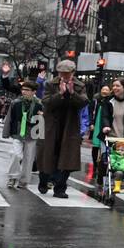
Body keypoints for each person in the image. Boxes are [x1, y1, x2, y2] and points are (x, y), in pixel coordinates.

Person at [38, 61, 89, 198]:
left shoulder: (80, 85)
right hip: (51, 124)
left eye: (67, 74)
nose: (64, 76)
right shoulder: (50, 84)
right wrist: (60, 94)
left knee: (67, 156)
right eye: (61, 73)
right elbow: (46, 103)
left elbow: (84, 103)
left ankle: (60, 188)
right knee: (48, 154)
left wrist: (72, 94)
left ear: (73, 73)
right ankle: (44, 180)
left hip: (70, 125)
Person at [2, 83, 43, 189]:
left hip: (32, 134)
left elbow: (42, 122)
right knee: (16, 155)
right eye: (23, 89)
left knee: (29, 158)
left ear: (34, 92)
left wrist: (41, 136)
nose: (23, 91)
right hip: (18, 133)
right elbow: (9, 118)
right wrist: (6, 133)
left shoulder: (39, 104)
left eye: (27, 90)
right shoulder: (16, 103)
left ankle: (24, 181)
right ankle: (12, 177)